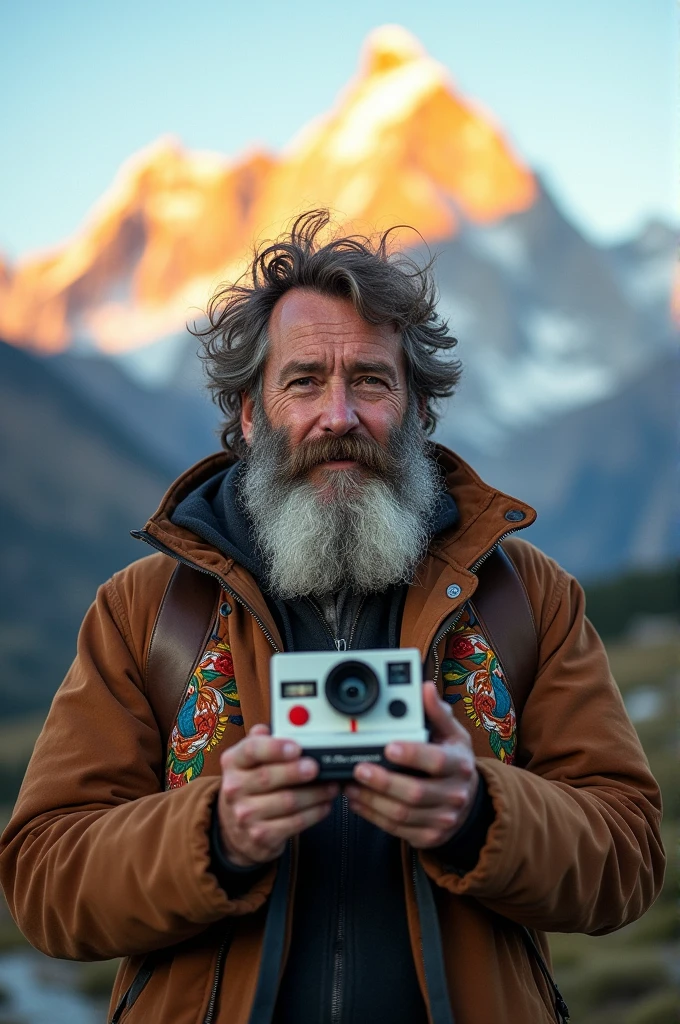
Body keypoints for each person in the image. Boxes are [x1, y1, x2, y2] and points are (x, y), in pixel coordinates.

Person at [0, 210, 664, 1024]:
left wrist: (481, 812)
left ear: (419, 412)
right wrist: (212, 835)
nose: (338, 417)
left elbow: (629, 858)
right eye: (304, 380)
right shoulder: (143, 611)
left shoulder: (529, 597)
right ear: (251, 415)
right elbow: (43, 880)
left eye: (373, 382)